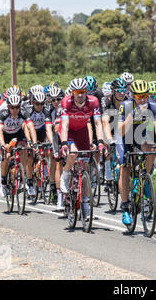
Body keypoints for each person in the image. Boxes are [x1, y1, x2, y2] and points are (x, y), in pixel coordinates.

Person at [117, 80, 156, 226]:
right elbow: (120, 131)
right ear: (132, 96)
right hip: (125, 137)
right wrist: (133, 115)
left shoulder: (153, 106)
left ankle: (146, 176)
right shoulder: (125, 106)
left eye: (145, 95)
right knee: (125, 167)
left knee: (151, 149)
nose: (143, 99)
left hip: (142, 135)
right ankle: (125, 206)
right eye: (139, 97)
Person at [59, 78, 105, 219]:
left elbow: (97, 123)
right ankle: (65, 175)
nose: (79, 95)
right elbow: (65, 125)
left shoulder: (93, 102)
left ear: (86, 92)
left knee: (84, 168)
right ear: (72, 92)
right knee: (73, 154)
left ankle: (85, 205)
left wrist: (101, 142)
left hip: (82, 131)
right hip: (68, 131)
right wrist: (64, 143)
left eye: (82, 92)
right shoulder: (66, 102)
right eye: (76, 92)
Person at [0, 94, 37, 198]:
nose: (15, 110)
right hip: (6, 136)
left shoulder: (23, 113)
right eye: (12, 107)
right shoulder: (3, 114)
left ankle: (24, 177)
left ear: (20, 106)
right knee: (6, 157)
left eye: (17, 107)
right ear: (8, 107)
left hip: (18, 134)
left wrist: (34, 142)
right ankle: (3, 183)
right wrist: (2, 144)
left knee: (24, 149)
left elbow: (31, 127)